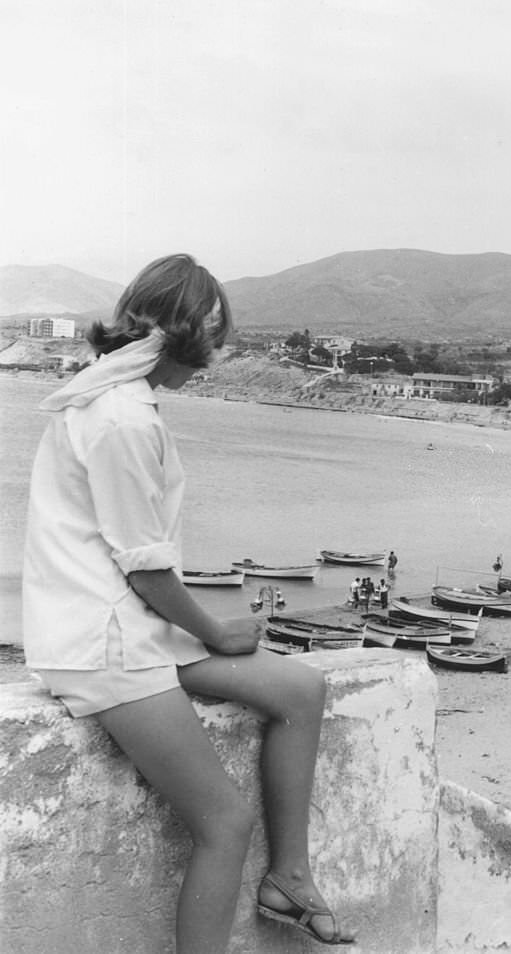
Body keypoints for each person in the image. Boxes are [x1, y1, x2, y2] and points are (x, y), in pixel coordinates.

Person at [20, 254, 353, 950]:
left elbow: (137, 564)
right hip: (103, 645)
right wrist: (217, 631)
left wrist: (197, 629)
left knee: (301, 689)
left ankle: (288, 875)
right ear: (188, 334)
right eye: (211, 342)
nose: (214, 360)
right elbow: (147, 572)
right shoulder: (121, 418)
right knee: (224, 823)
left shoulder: (116, 396)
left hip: (130, 628)